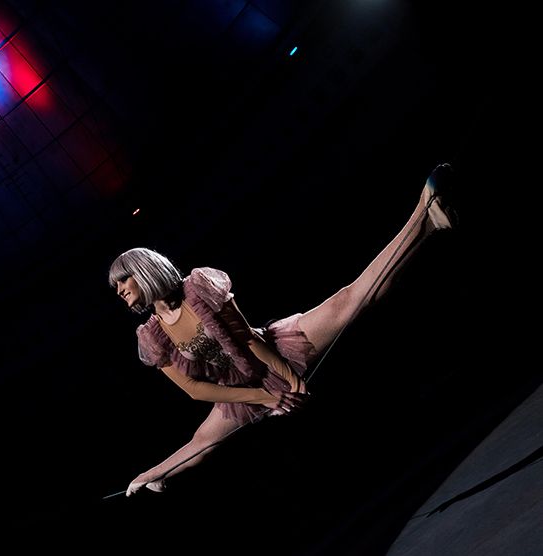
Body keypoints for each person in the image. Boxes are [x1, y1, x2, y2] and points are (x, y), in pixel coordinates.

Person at [109, 163, 458, 497]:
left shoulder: (198, 287)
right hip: (241, 389)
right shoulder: (152, 336)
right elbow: (194, 390)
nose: (120, 290)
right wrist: (263, 397)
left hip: (274, 354)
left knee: (348, 301)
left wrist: (289, 380)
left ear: (143, 272)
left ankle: (423, 213)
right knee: (202, 442)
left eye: (123, 281)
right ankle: (151, 475)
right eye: (116, 287)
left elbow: (247, 339)